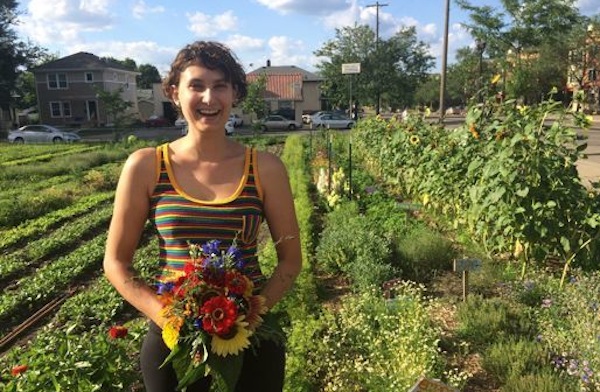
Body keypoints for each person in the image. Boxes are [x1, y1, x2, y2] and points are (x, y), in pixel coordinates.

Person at [103, 41, 302, 391]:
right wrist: (170, 318)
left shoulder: (265, 168)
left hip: (251, 344)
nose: (209, 98)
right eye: (196, 85)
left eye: (220, 86)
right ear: (174, 93)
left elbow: (290, 262)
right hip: (173, 343)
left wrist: (250, 317)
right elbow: (116, 262)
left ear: (235, 94)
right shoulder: (146, 166)